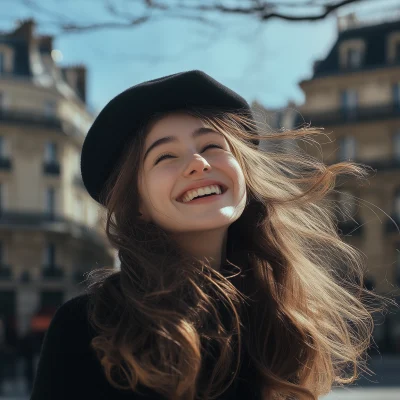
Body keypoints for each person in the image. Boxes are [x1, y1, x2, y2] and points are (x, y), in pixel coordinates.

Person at [30, 70, 392, 400]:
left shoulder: (281, 317)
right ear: (136, 202)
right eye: (164, 156)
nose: (199, 163)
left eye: (212, 146)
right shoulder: (90, 327)